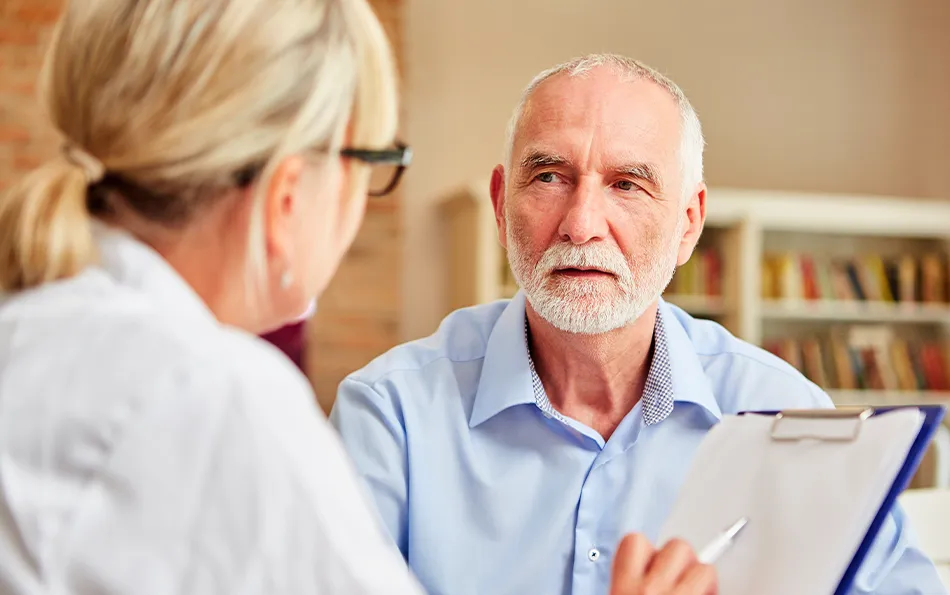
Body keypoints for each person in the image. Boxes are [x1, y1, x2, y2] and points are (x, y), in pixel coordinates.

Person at [0, 3, 716, 594]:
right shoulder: (219, 399)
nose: (582, 222)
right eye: (373, 163)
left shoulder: (31, 336)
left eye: (627, 183)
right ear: (288, 195)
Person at [331, 53, 945, 595]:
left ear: (688, 223)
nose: (581, 224)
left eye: (627, 185)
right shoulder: (392, 415)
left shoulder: (789, 416)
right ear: (499, 203)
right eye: (549, 177)